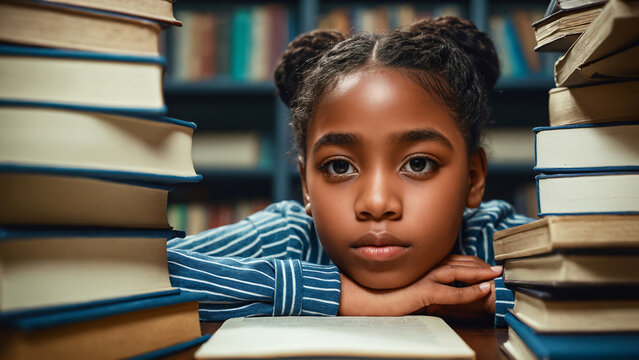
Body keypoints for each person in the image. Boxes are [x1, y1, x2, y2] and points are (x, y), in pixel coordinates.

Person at [167, 16, 532, 327]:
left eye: (418, 164)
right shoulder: (289, 239)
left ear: (473, 178)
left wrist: (484, 300)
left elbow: (585, 284)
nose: (376, 203)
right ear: (306, 186)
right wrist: (344, 297)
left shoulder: (495, 243)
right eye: (339, 166)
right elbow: (132, 272)